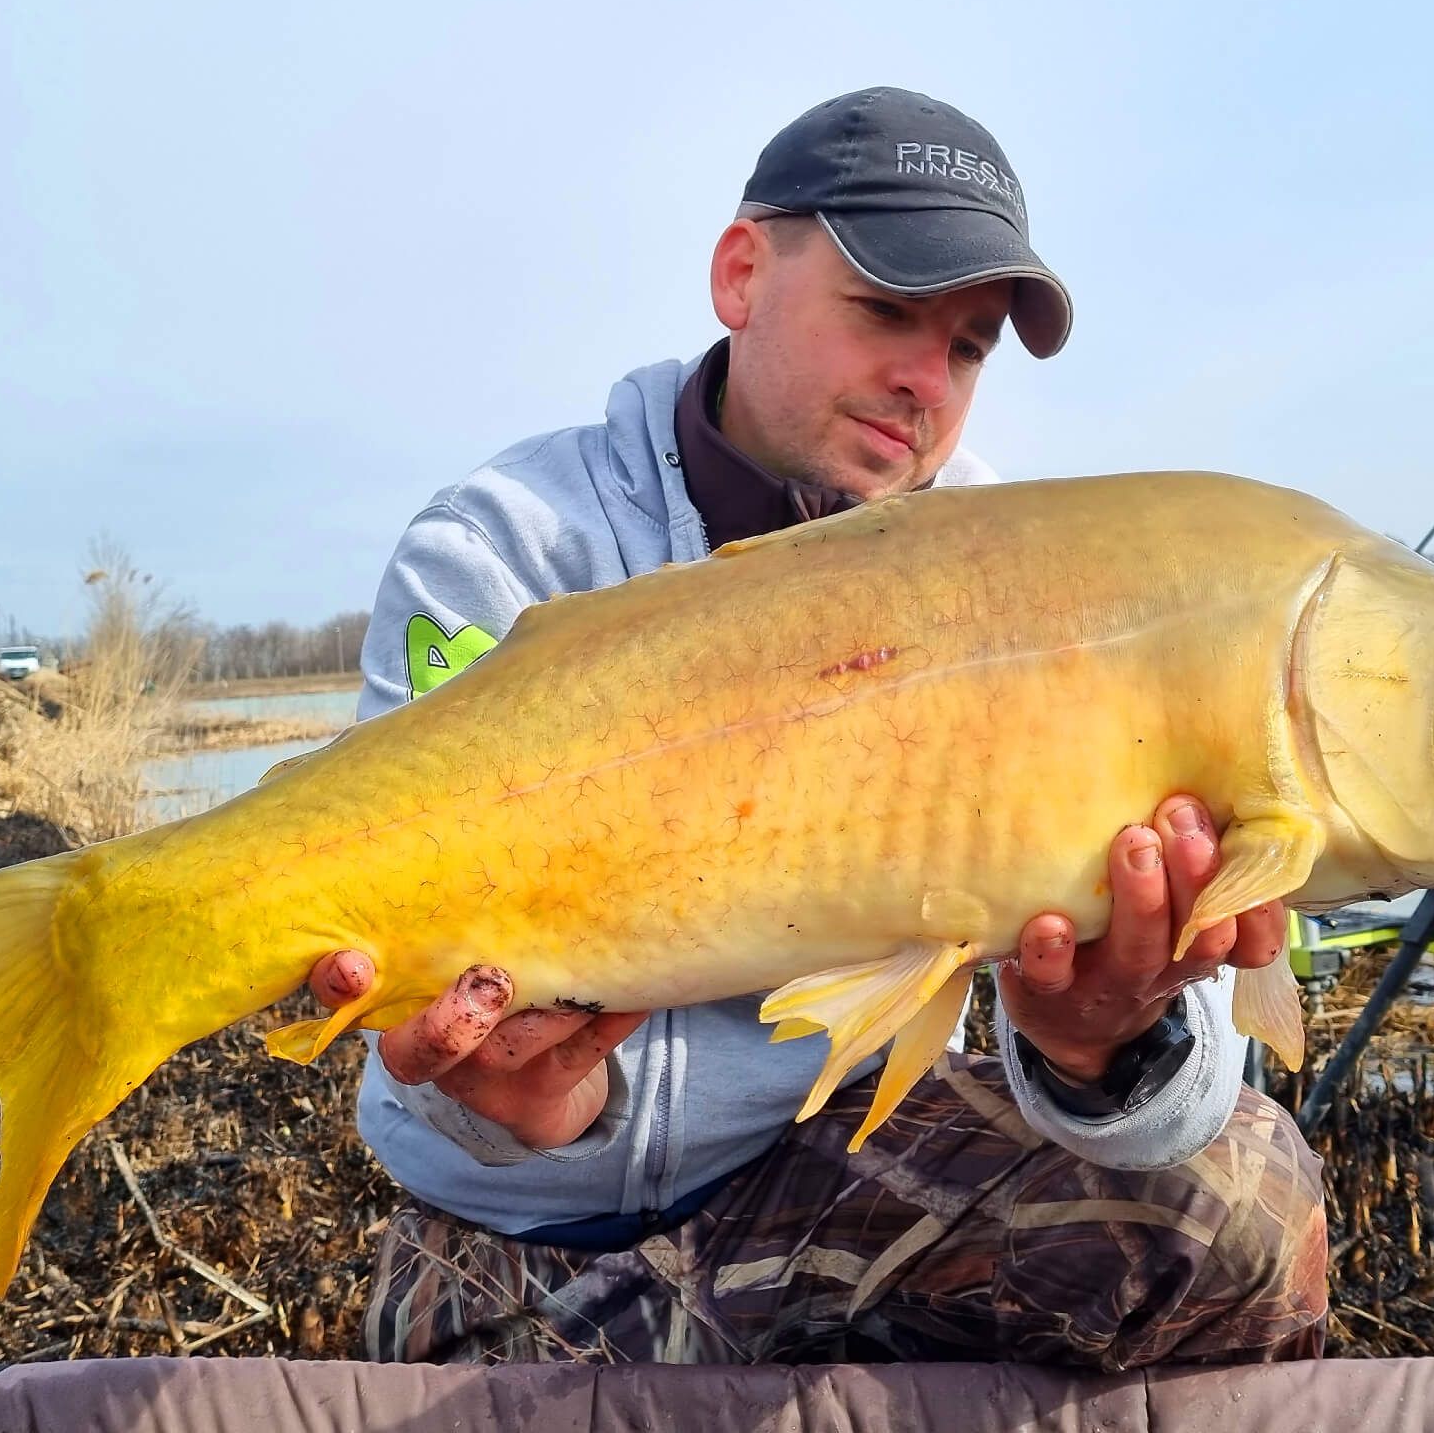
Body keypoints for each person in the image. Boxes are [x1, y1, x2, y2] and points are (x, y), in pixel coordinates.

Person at [310, 86, 1329, 1369]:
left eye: (966, 348)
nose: (925, 380)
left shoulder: (1041, 580)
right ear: (743, 272)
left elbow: (1177, 1105)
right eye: (886, 311)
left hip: (847, 1177)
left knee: (1243, 1203)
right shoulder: (510, 542)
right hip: (532, 1230)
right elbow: (400, 999)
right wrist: (527, 1108)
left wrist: (1095, 1049)